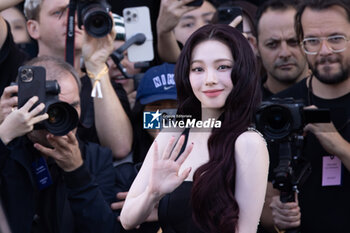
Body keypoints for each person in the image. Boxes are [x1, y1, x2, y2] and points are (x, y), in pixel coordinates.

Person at [120, 24, 269, 233]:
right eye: (198, 69)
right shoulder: (174, 131)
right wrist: (153, 193)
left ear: (242, 70)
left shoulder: (248, 143)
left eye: (223, 67)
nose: (210, 79)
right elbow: (127, 219)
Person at [0, 56, 120, 233]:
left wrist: (77, 172)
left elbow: (104, 229)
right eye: (52, 109)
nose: (63, 117)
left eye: (73, 106)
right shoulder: (7, 149)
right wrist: (3, 134)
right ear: (22, 106)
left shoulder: (96, 158)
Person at [0, 0, 133, 159]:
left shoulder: (102, 84)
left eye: (80, 12)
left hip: (83, 179)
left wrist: (96, 66)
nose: (73, 19)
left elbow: (120, 148)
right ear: (34, 28)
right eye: (59, 12)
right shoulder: (17, 69)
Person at [260, 0, 350, 232]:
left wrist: (339, 146)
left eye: (335, 38)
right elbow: (267, 200)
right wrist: (279, 216)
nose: (324, 51)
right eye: (312, 41)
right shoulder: (279, 110)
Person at [256, 0, 309, 99]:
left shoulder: (333, 95)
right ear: (256, 47)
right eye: (272, 44)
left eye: (294, 42)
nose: (285, 53)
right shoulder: (243, 105)